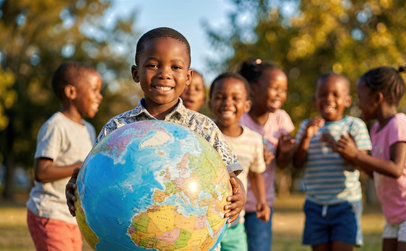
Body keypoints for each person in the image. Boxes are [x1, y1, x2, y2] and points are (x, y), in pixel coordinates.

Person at [65, 27, 246, 233]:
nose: (164, 74)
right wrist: (78, 188)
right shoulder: (117, 128)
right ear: (136, 73)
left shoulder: (204, 127)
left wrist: (240, 194)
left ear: (188, 76)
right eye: (153, 65)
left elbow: (231, 176)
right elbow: (95, 176)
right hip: (129, 236)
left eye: (175, 67)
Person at [334, 66, 406, 251]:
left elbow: (395, 169)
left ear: (377, 98)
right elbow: (378, 173)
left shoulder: (399, 124)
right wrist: (354, 159)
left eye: (360, 97)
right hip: (395, 214)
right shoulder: (375, 130)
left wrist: (357, 155)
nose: (357, 104)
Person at [27, 62, 103, 251]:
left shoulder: (90, 130)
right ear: (71, 92)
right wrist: (79, 165)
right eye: (94, 90)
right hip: (50, 212)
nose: (99, 96)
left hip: (71, 214)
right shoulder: (55, 126)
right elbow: (41, 172)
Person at [293, 73, 372, 251]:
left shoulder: (354, 126)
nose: (329, 99)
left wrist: (341, 150)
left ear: (347, 100)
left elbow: (362, 162)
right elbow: (297, 163)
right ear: (315, 99)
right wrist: (305, 137)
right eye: (322, 94)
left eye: (335, 94)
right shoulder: (307, 126)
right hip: (315, 204)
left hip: (346, 204)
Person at [238, 58, 296, 251]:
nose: (280, 94)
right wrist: (254, 153)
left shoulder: (281, 119)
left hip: (261, 204)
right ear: (253, 88)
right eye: (274, 88)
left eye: (284, 90)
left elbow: (282, 163)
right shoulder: (240, 118)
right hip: (233, 200)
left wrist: (285, 152)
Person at [208, 72, 270, 251]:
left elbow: (257, 173)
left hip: (235, 221)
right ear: (210, 102)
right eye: (220, 97)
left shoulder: (254, 140)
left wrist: (262, 201)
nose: (227, 102)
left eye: (236, 98)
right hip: (205, 221)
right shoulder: (203, 134)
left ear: (247, 105)